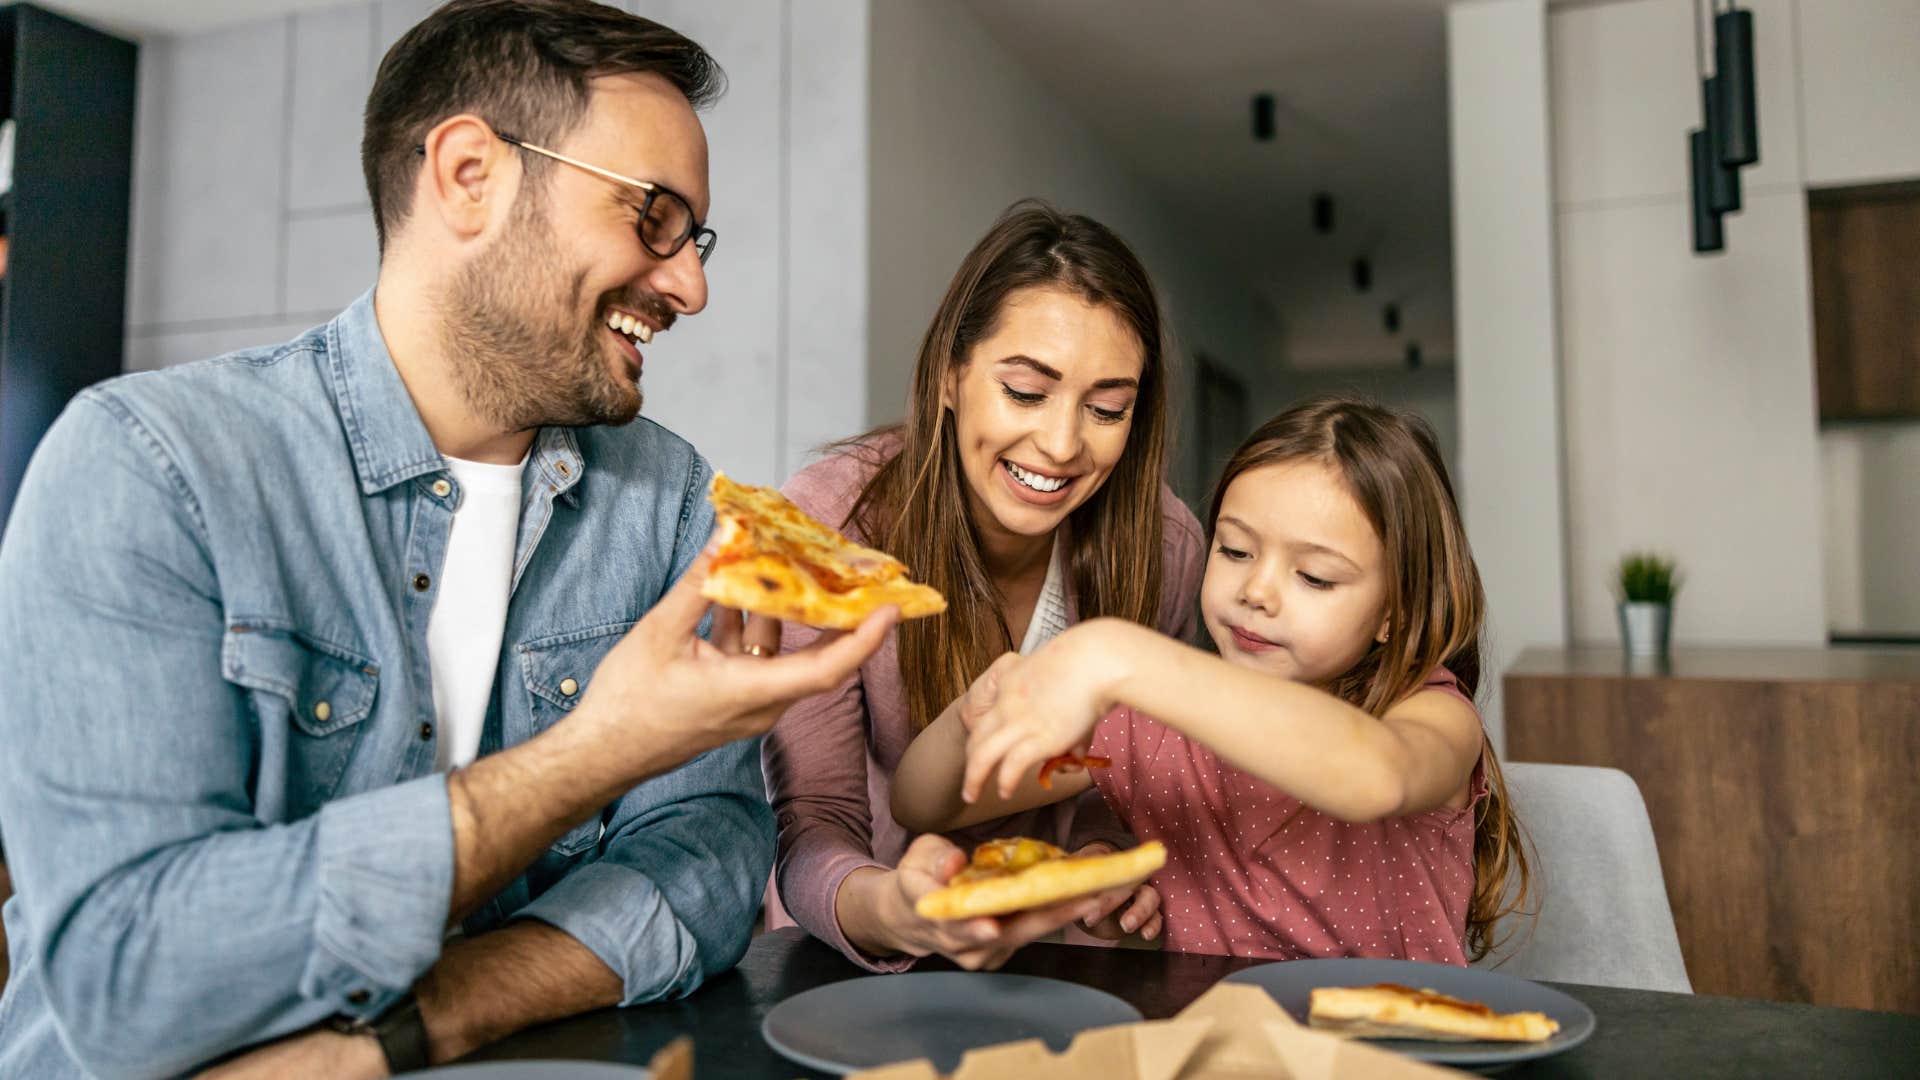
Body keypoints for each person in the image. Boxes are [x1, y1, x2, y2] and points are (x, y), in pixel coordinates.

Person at [0, 3, 888, 1076]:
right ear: (471, 174)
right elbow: (131, 973)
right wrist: (596, 753)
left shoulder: (666, 499)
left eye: (692, 239)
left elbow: (707, 857)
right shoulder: (152, 467)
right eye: (651, 218)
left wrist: (431, 1017)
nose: (690, 285)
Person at [895, 396, 1532, 963]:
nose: (1256, 591)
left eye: (1313, 577)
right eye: (1234, 550)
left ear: (1395, 612)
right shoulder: (1148, 729)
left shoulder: (1432, 715)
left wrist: (1116, 654)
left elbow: (1378, 775)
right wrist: (975, 716)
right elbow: (925, 802)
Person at [758, 201, 1205, 972]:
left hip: (1058, 966)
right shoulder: (827, 527)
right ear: (949, 376)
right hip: (851, 963)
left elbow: (1120, 772)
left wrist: (1107, 852)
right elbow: (815, 820)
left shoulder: (1165, 550)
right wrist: (897, 910)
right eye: (1027, 393)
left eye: (1106, 409)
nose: (1062, 445)